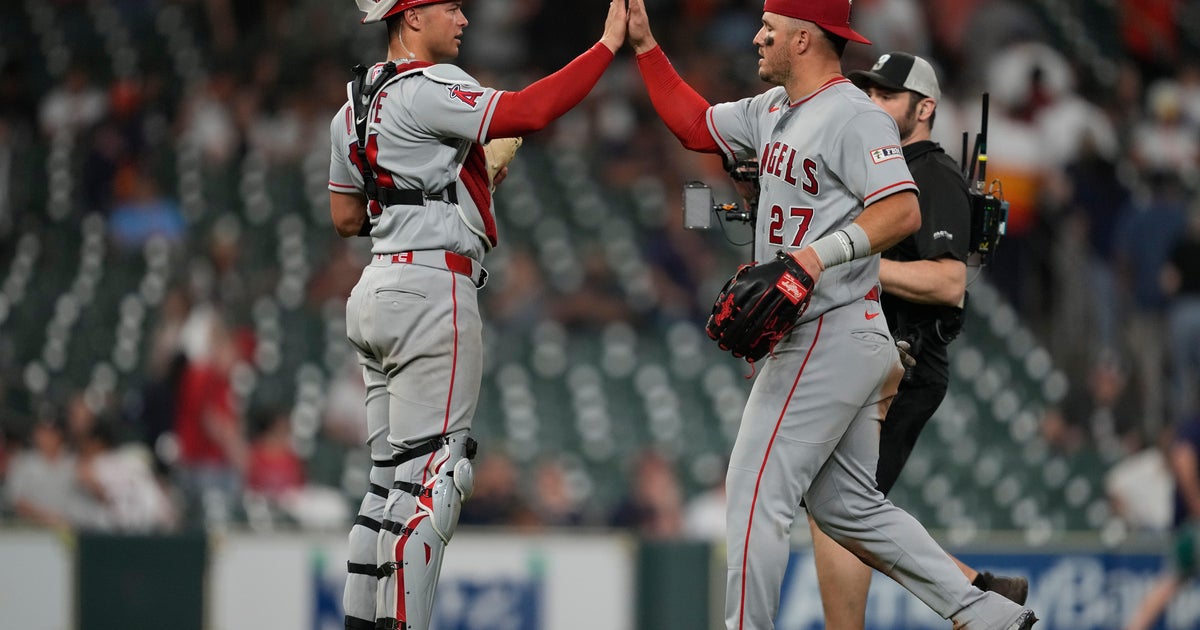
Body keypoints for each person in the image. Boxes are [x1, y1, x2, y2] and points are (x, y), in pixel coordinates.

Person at [624, 1, 1039, 628]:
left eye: (770, 26)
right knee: (849, 508)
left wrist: (815, 257)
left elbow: (902, 211)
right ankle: (986, 614)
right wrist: (647, 45)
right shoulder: (770, 110)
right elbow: (693, 124)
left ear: (803, 37)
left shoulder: (855, 115)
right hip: (834, 333)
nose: (758, 36)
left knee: (754, 494)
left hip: (832, 326)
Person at [328, 2, 627, 629]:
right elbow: (531, 111)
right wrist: (604, 45)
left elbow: (348, 218)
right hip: (432, 289)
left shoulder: (351, 106)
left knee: (387, 488)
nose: (464, 18)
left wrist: (455, 185)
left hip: (377, 287)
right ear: (409, 18)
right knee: (437, 482)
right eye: (450, 7)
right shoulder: (433, 82)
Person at [803, 51, 1028, 630]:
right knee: (842, 506)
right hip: (876, 356)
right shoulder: (881, 170)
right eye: (868, 93)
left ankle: (975, 600)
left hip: (908, 356)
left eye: (885, 95)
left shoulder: (932, 173)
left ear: (923, 107)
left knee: (839, 508)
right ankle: (979, 592)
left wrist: (853, 266)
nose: (872, 103)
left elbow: (950, 282)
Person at [1123, 415, 1200, 630]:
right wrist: (1196, 505)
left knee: (1168, 583)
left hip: (1189, 527)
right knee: (1169, 583)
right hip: (1194, 527)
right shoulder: (1195, 426)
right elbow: (1183, 458)